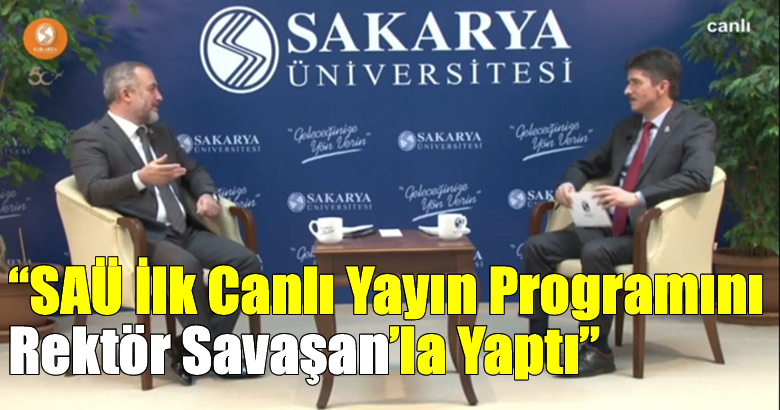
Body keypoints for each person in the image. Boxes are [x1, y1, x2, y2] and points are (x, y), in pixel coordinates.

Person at [522, 48, 716, 377]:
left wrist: (636, 197)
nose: (627, 90)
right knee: (537, 247)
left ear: (662, 86)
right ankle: (537, 342)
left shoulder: (695, 127)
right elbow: (585, 166)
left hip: (649, 233)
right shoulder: (627, 128)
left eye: (635, 83)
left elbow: (698, 177)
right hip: (605, 225)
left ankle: (597, 350)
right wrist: (567, 186)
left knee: (597, 252)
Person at [69, 61, 262, 385]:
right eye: (152, 89)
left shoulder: (161, 134)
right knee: (185, 267)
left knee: (246, 262)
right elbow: (94, 190)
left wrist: (206, 194)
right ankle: (213, 353)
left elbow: (194, 170)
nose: (160, 96)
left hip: (183, 230)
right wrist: (140, 178)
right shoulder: (91, 138)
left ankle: (191, 348)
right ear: (126, 94)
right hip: (140, 238)